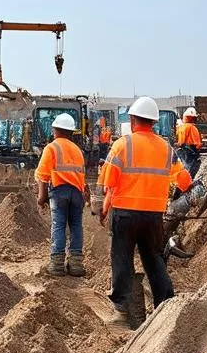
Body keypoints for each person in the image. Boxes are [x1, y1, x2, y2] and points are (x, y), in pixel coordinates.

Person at [99, 96, 193, 329]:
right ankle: (165, 306)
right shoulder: (166, 148)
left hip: (125, 213)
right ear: (153, 122)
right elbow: (185, 181)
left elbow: (109, 184)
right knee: (153, 260)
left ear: (132, 120)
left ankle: (121, 312)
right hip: (153, 216)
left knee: (122, 259)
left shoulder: (122, 145)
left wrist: (105, 208)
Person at [35, 113, 88, 276]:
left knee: (58, 225)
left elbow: (43, 176)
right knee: (76, 226)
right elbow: (82, 176)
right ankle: (76, 265)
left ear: (55, 130)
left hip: (59, 192)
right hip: (77, 193)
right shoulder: (77, 150)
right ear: (71, 132)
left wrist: (41, 198)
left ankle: (57, 265)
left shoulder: (52, 148)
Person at [175, 106, 203, 178]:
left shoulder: (181, 127)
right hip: (191, 150)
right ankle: (189, 180)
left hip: (184, 149)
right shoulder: (192, 128)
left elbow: (180, 141)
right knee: (192, 168)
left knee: (184, 167)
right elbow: (197, 143)